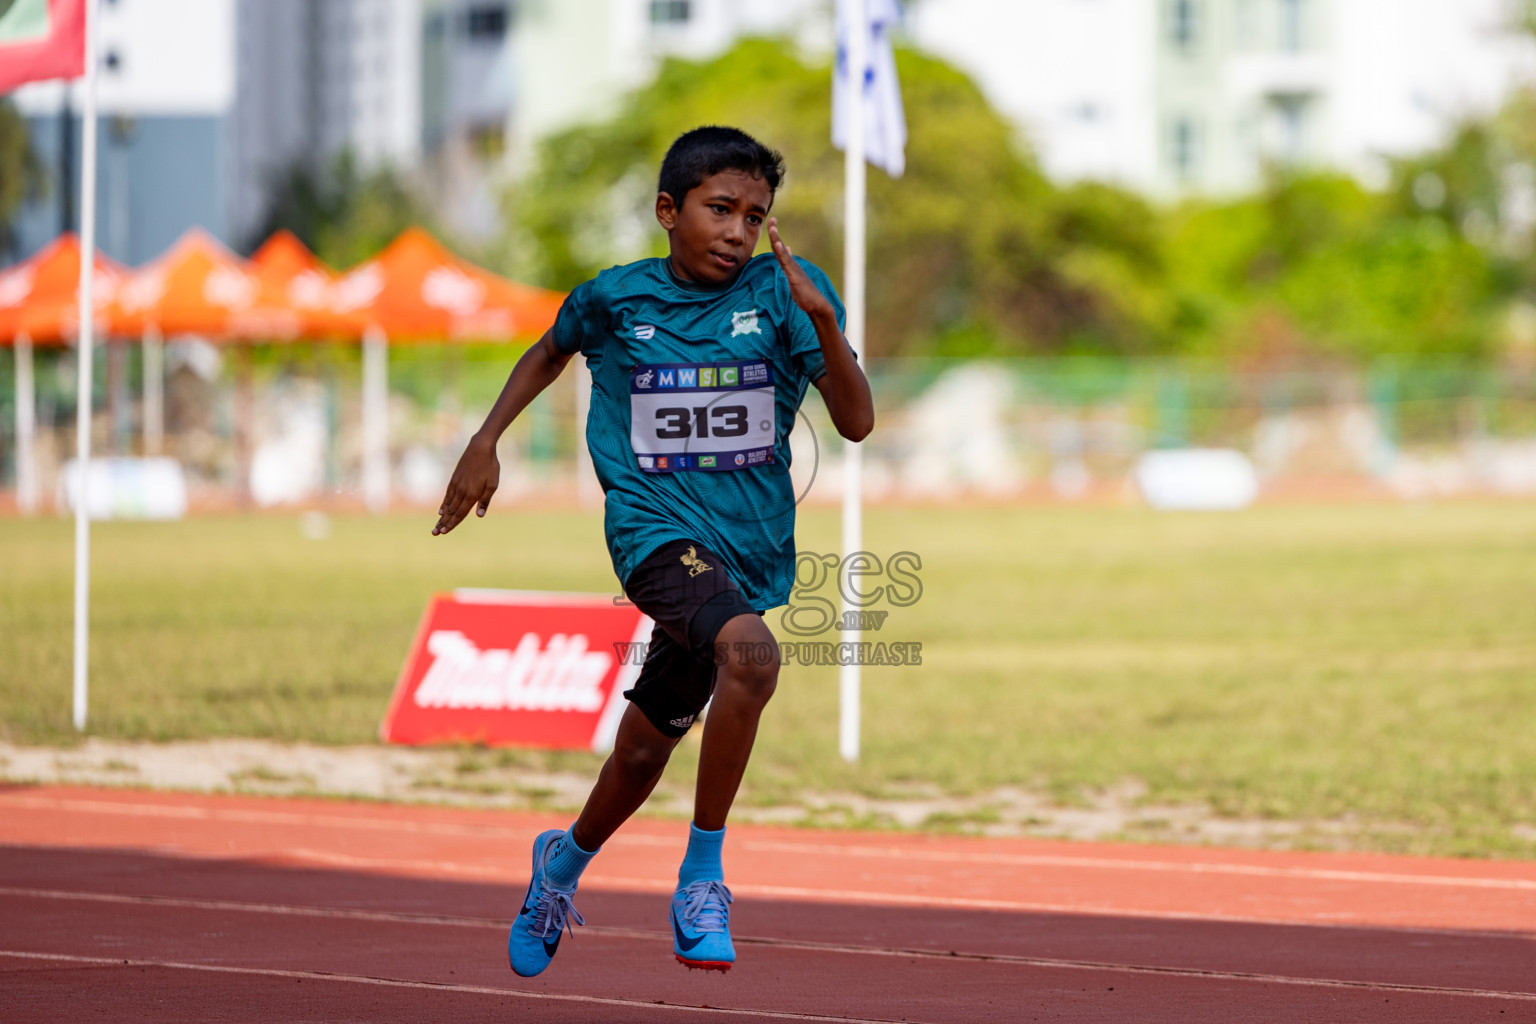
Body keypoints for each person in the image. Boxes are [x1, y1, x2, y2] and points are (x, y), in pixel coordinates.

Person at [432, 125, 874, 976]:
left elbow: (855, 423)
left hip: (746, 556)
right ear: (668, 211)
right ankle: (701, 879)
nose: (738, 231)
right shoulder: (616, 299)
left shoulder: (788, 296)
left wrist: (823, 322)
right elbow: (549, 350)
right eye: (719, 210)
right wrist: (485, 440)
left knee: (646, 744)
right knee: (752, 657)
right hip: (653, 533)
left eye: (755, 215)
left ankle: (560, 865)